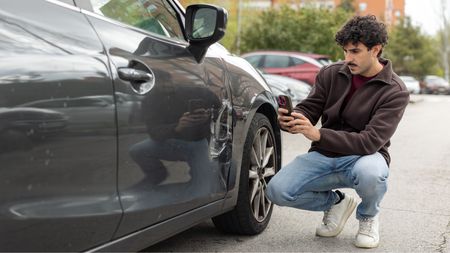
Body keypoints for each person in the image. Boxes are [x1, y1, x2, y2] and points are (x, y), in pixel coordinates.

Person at [266, 15, 409, 249]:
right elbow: (309, 109)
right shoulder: (330, 73)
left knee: (372, 174)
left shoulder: (395, 91)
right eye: (345, 51)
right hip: (324, 155)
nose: (347, 58)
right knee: (277, 191)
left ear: (376, 49)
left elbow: (370, 141)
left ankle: (368, 217)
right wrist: (292, 119)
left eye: (355, 51)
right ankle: (336, 203)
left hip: (363, 158)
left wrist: (320, 135)